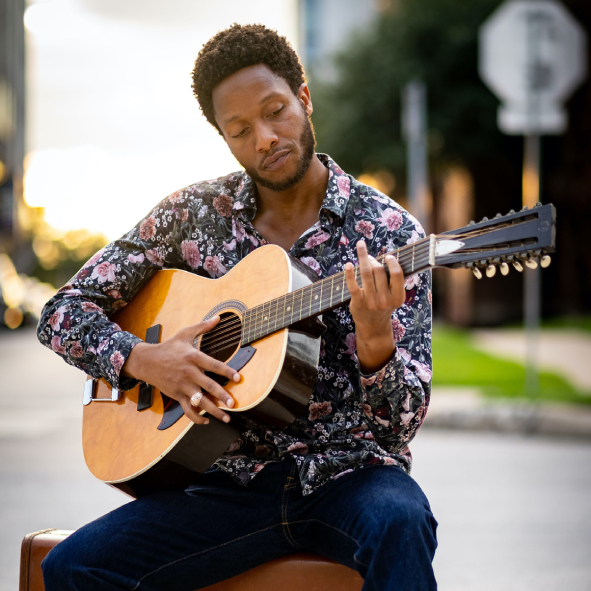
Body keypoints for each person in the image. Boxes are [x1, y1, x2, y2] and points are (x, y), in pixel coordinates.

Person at [37, 24, 437, 591]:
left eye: (276, 112)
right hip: (226, 485)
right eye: (241, 129)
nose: (266, 138)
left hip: (352, 477)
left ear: (303, 97)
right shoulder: (192, 214)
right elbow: (61, 312)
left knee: (402, 521)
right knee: (73, 567)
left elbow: (397, 431)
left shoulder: (390, 233)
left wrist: (376, 342)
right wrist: (146, 360)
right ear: (223, 137)